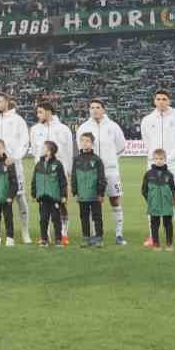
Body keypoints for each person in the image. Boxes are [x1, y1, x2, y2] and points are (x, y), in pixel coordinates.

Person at [139, 90, 175, 248]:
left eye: (164, 99)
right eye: (158, 99)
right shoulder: (147, 120)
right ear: (154, 101)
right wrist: (154, 157)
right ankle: (152, 236)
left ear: (169, 101)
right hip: (153, 165)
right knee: (153, 199)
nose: (161, 101)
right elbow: (146, 140)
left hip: (174, 166)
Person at [77, 99, 128, 246]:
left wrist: (111, 160)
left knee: (115, 200)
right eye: (92, 107)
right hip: (90, 172)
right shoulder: (84, 127)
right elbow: (81, 147)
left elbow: (121, 146)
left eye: (98, 107)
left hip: (110, 171)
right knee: (92, 202)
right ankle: (94, 235)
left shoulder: (113, 127)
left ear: (104, 110)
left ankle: (119, 235)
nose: (94, 110)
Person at [0, 93, 31, 244]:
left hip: (13, 166)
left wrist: (14, 158)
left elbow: (24, 142)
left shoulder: (18, 121)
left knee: (20, 198)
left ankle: (25, 232)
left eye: (0, 102)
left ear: (7, 102)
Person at [32, 101, 73, 246]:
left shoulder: (63, 129)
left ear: (49, 112)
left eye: (40, 112)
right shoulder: (35, 129)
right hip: (42, 174)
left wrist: (68, 172)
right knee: (44, 204)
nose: (38, 115)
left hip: (58, 173)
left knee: (61, 204)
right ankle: (46, 235)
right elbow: (35, 153)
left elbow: (69, 152)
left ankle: (63, 233)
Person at [70, 132, 106, 248]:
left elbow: (101, 177)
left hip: (94, 194)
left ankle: (99, 238)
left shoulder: (97, 160)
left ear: (92, 144)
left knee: (97, 216)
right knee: (84, 216)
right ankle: (86, 237)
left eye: (87, 141)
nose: (84, 143)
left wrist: (100, 193)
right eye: (82, 141)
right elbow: (74, 176)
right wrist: (75, 192)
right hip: (82, 194)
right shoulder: (77, 159)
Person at [31, 140, 66, 248]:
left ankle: (58, 239)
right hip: (42, 197)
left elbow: (62, 181)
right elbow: (34, 180)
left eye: (44, 148)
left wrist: (63, 195)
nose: (42, 149)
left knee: (56, 219)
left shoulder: (58, 164)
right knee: (43, 219)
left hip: (54, 197)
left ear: (50, 151)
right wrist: (34, 193)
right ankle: (44, 239)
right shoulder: (39, 164)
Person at [141, 148, 175, 251]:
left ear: (165, 159)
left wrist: (169, 199)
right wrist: (150, 200)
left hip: (166, 204)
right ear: (153, 159)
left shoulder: (169, 175)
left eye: (161, 158)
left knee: (168, 224)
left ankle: (169, 244)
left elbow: (173, 189)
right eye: (156, 158)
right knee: (154, 224)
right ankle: (156, 244)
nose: (158, 161)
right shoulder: (148, 174)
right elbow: (144, 190)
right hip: (154, 204)